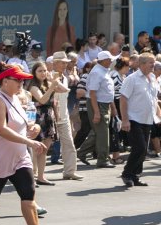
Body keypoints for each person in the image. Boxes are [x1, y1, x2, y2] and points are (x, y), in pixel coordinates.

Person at [0, 63, 62, 225]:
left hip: (19, 157)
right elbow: (1, 129)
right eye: (18, 80)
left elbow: (26, 123)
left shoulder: (14, 98)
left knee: (28, 193)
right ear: (5, 81)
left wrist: (35, 128)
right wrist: (29, 142)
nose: (22, 83)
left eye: (23, 80)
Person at [120, 53, 160, 187]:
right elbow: (123, 98)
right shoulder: (132, 79)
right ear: (141, 64)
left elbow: (153, 98)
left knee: (142, 150)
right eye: (150, 62)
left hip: (148, 119)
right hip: (134, 118)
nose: (153, 65)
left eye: (153, 62)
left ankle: (135, 176)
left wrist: (158, 114)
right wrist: (125, 120)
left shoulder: (153, 77)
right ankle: (127, 174)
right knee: (140, 147)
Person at [78, 51, 118, 168]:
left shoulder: (103, 71)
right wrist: (96, 112)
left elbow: (107, 92)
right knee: (103, 133)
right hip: (98, 104)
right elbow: (93, 93)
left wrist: (113, 108)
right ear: (104, 60)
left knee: (99, 133)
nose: (111, 61)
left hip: (104, 104)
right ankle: (103, 160)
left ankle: (82, 152)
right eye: (109, 59)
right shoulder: (97, 72)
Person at [49, 51, 83, 180]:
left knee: (69, 144)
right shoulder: (50, 76)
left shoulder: (65, 77)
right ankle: (35, 173)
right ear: (55, 63)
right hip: (51, 116)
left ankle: (69, 171)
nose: (65, 65)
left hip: (64, 115)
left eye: (66, 63)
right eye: (62, 63)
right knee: (43, 146)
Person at [28, 62, 58, 185]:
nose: (43, 73)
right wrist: (52, 87)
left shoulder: (48, 84)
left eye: (45, 70)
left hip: (49, 118)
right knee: (36, 149)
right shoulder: (33, 87)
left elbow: (62, 92)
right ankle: (32, 176)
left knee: (44, 150)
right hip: (38, 119)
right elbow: (42, 99)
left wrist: (53, 80)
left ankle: (41, 176)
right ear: (34, 73)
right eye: (40, 71)